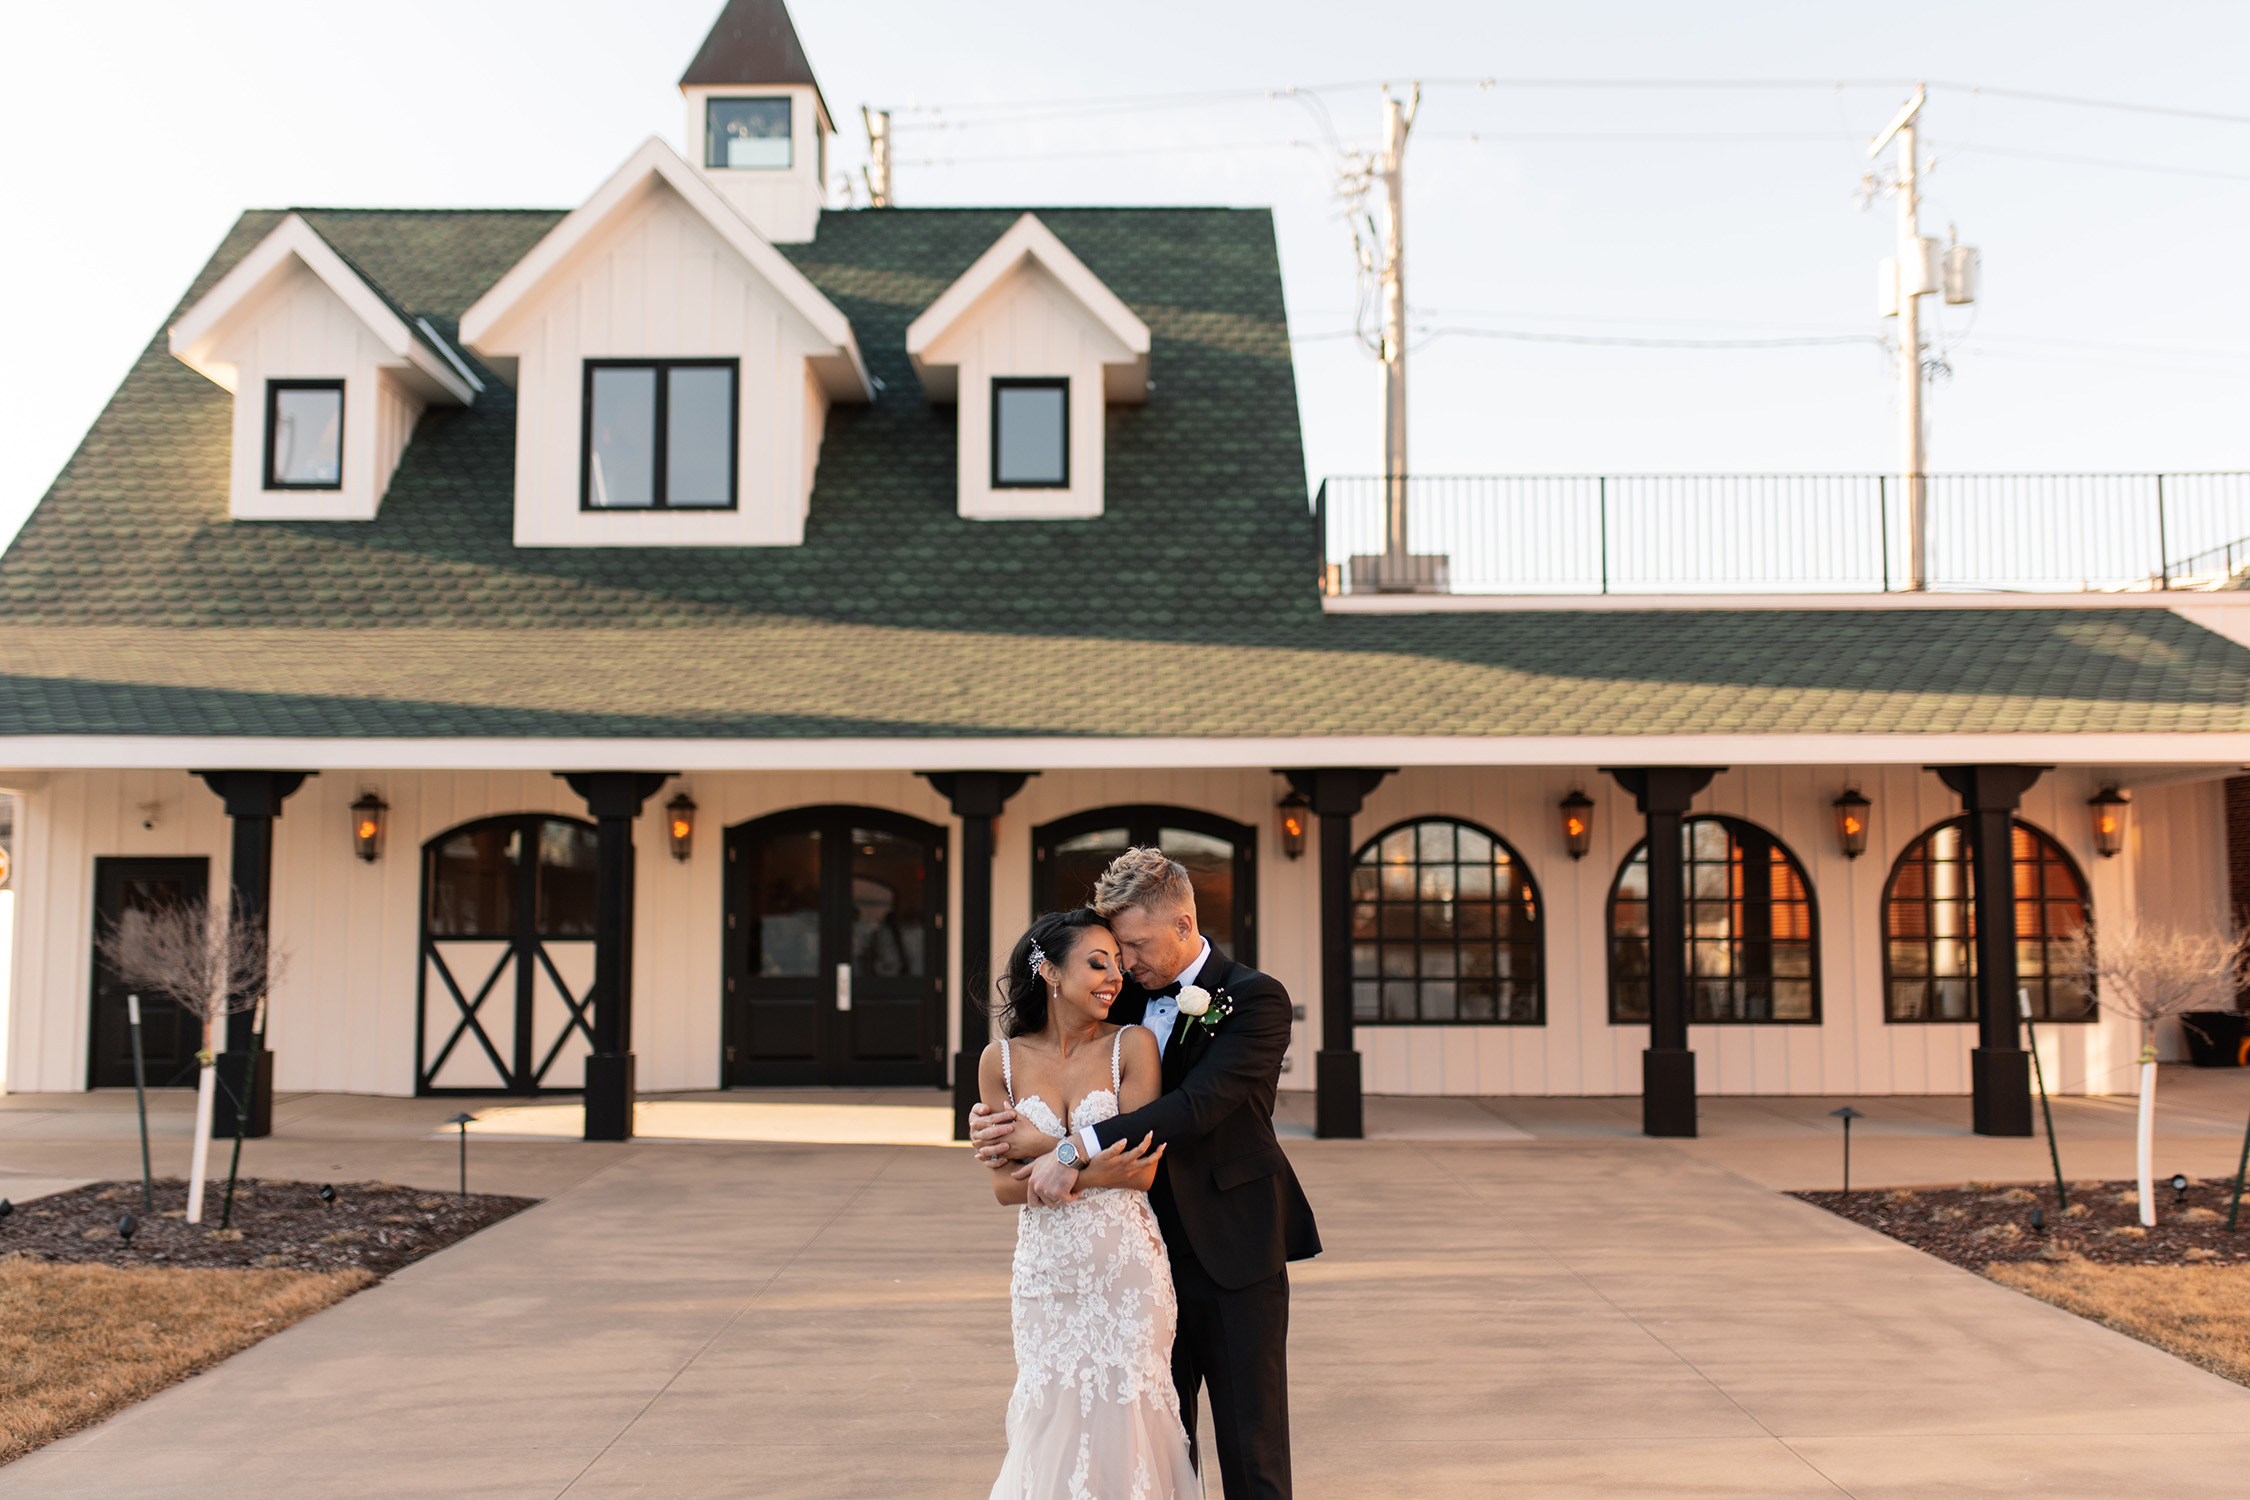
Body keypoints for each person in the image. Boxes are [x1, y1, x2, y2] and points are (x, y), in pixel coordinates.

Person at [974, 849, 1319, 1500]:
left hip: (1233, 1246)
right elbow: (1055, 1044)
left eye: (1133, 945)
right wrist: (994, 1119)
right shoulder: (1120, 990)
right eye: (1115, 950)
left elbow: (1195, 1108)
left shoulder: (1254, 999)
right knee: (1157, 1444)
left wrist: (1069, 1147)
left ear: (1184, 924)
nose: (1123, 965)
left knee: (1253, 1443)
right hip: (1136, 1253)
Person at [977, 907, 1199, 1499]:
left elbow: (1142, 1170)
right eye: (1097, 963)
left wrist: (1045, 1149)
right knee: (1049, 1411)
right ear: (1048, 971)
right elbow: (1003, 1187)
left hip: (1125, 1269)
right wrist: (1086, 1161)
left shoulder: (1134, 1045)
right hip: (1046, 1273)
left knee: (1128, 1418)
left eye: (1119, 967)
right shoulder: (1000, 1061)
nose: (1114, 978)